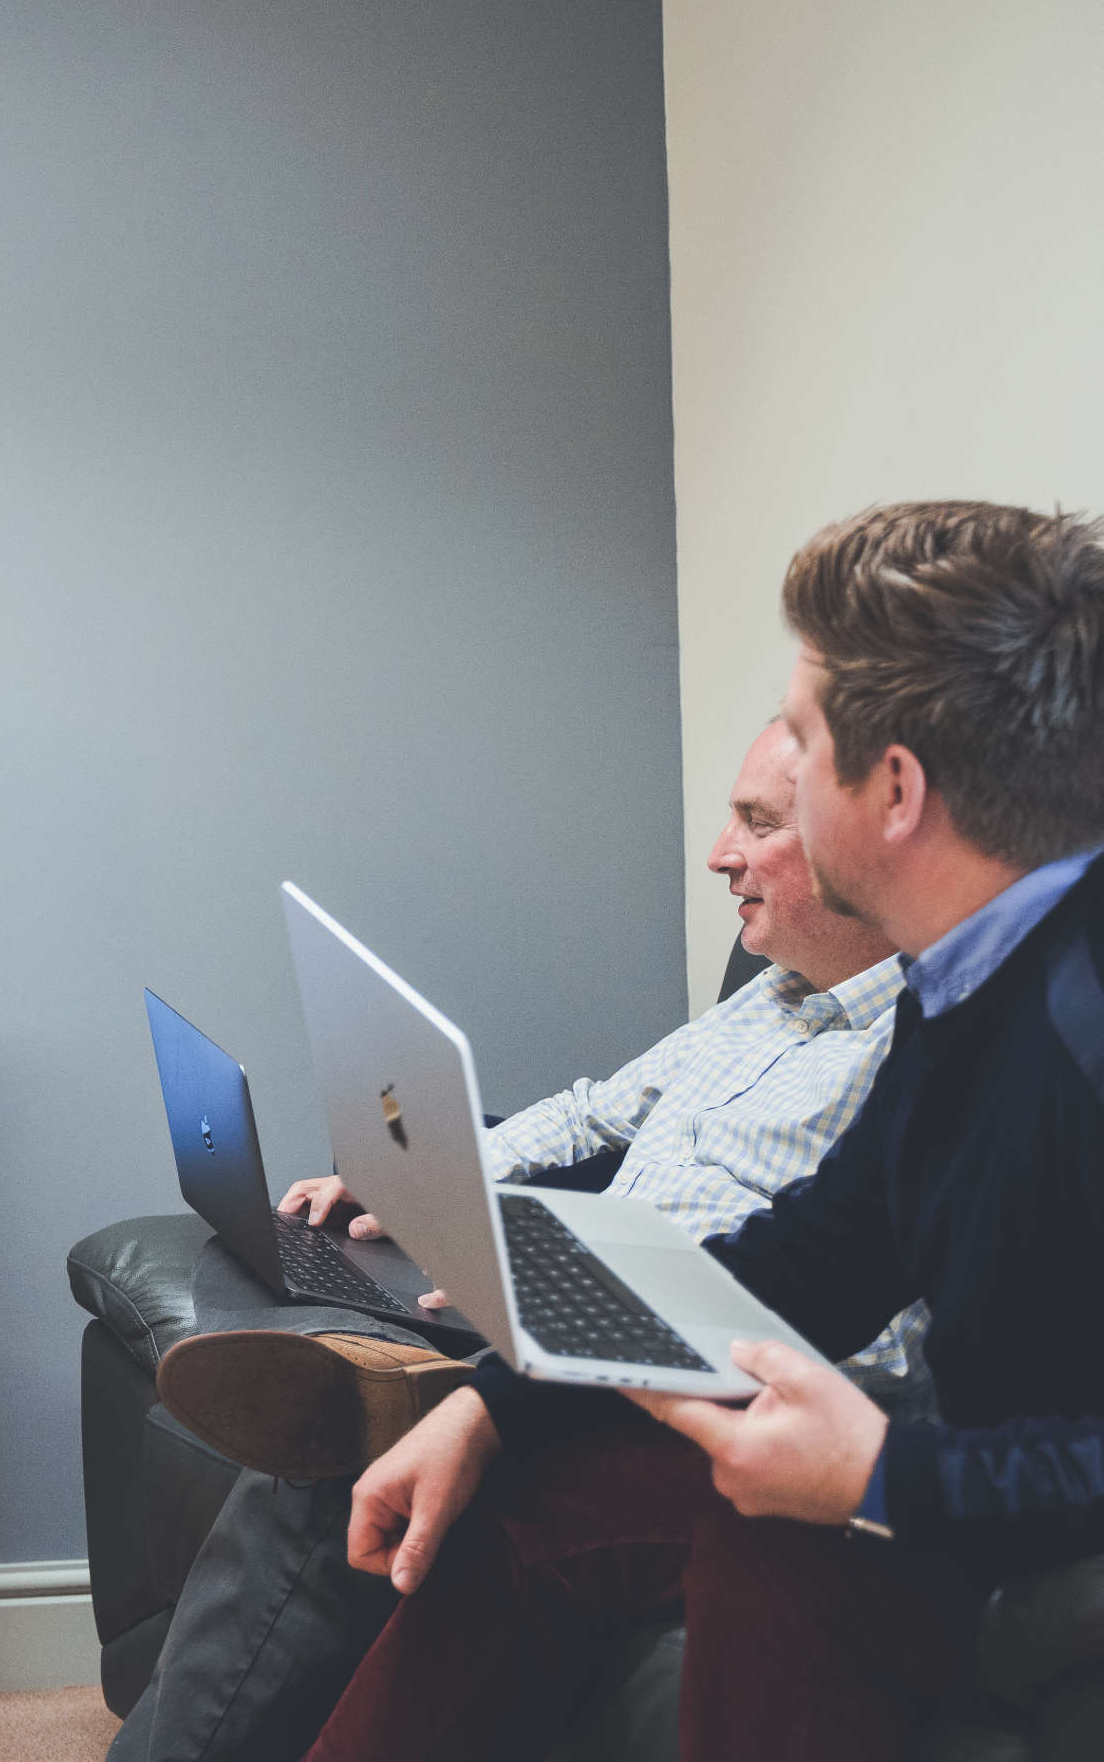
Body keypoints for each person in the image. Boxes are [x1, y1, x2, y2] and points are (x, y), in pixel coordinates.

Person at [301, 500, 1104, 1762]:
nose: (776, 762)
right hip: (966, 1484)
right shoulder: (966, 983)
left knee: (775, 1529)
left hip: (1029, 1540)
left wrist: (884, 1477)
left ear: (892, 788)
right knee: (513, 1500)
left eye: (801, 731)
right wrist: (492, 1405)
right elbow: (806, 1260)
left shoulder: (1075, 1021)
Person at [108, 718, 913, 1762]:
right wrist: (426, 1172)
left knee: (329, 1461)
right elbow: (591, 1112)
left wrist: (560, 1306)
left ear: (865, 839)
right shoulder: (766, 996)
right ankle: (398, 1356)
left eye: (756, 823)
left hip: (702, 1365)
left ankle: (411, 1381)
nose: (719, 852)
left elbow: (839, 1291)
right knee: (309, 1290)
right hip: (583, 1300)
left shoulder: (924, 1038)